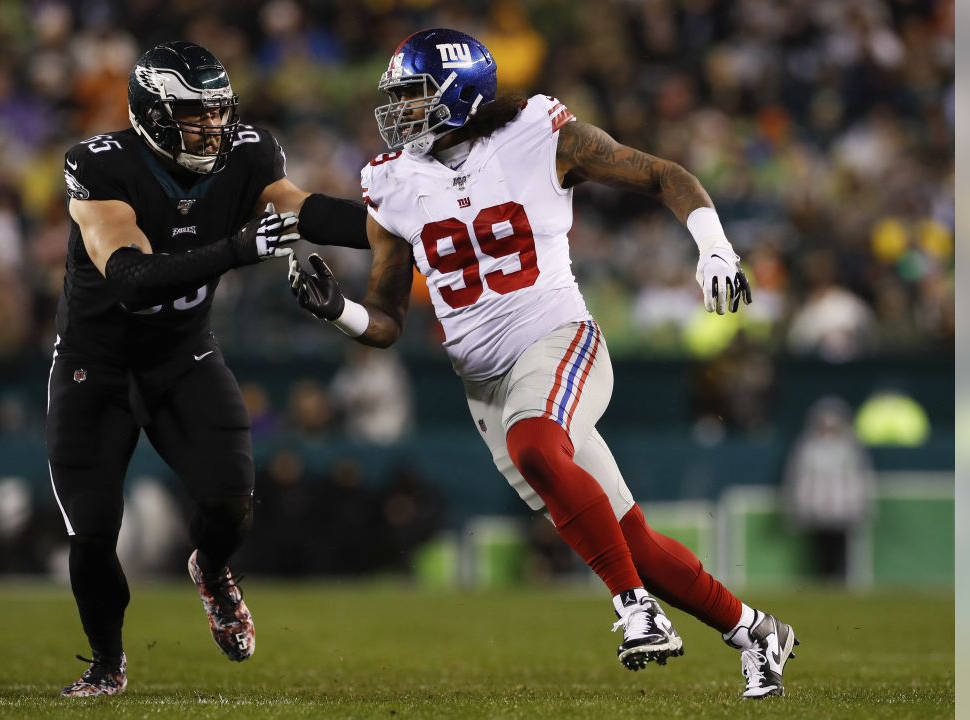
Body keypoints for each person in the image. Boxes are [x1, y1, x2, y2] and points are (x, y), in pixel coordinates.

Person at [289, 28, 797, 699]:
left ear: (459, 92)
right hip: (484, 385)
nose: (400, 111)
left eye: (414, 95)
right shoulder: (393, 181)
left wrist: (713, 248)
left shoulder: (536, 133)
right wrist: (339, 311)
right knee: (629, 538)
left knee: (538, 446)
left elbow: (662, 174)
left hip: (557, 338)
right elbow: (386, 323)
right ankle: (756, 631)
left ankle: (635, 610)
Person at [50, 40, 368, 698]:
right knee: (93, 531)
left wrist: (395, 228)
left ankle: (213, 569)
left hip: (182, 357)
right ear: (154, 115)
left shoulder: (248, 153)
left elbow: (298, 205)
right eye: (196, 116)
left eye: (219, 113)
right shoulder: (99, 166)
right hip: (97, 367)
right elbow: (132, 277)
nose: (213, 129)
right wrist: (235, 248)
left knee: (232, 505)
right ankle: (106, 664)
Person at [783, 396, 876, 583]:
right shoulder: (808, 447)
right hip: (817, 509)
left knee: (841, 547)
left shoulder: (849, 447)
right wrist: (799, 506)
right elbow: (799, 478)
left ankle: (841, 580)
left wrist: (859, 505)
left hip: (842, 509)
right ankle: (823, 581)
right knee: (818, 549)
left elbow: (859, 479)